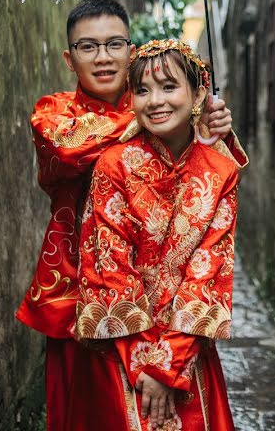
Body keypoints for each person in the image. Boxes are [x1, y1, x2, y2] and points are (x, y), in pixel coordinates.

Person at [14, 0, 246, 431]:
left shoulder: (152, 100)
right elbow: (69, 147)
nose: (103, 57)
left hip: (171, 308)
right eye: (88, 47)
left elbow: (209, 252)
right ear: (70, 57)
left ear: (131, 49)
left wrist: (203, 123)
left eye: (114, 44)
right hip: (81, 288)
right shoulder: (57, 112)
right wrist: (173, 112)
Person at [71, 39, 241, 430]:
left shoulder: (220, 172)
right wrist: (146, 364)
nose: (155, 101)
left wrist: (169, 364)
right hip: (122, 348)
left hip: (187, 347)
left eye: (169, 87)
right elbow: (109, 269)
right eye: (143, 90)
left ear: (199, 93)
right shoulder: (113, 166)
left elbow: (208, 271)